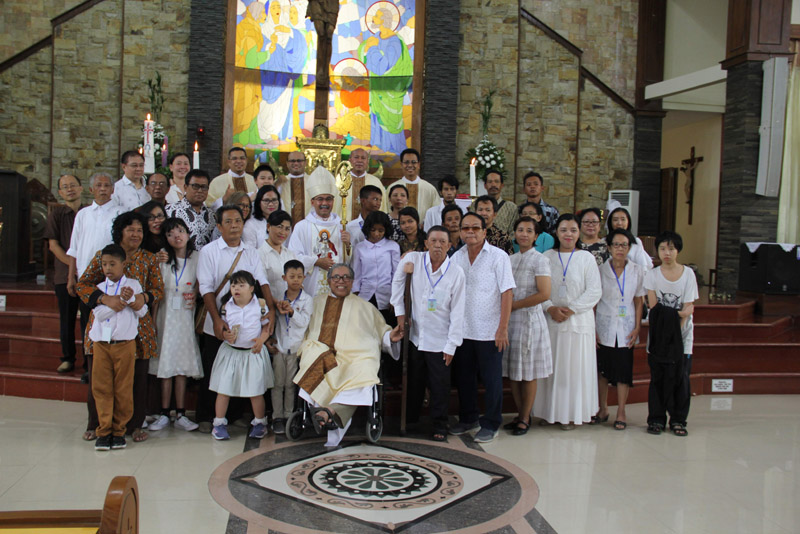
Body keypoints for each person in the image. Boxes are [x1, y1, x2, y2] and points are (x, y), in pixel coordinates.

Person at [77, 211, 164, 444]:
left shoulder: (149, 259)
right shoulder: (104, 256)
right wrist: (104, 299)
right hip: (103, 327)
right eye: (130, 229)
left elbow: (158, 290)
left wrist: (144, 298)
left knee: (135, 381)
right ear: (120, 232)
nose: (136, 234)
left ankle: (133, 426)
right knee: (100, 381)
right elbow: (82, 285)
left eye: (139, 230)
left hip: (138, 328)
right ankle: (96, 425)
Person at [294, 264, 403, 447]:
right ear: (329, 280)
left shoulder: (365, 307)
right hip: (322, 353)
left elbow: (381, 332)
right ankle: (328, 413)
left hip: (355, 356)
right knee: (313, 359)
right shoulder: (315, 303)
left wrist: (390, 337)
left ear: (352, 282)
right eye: (336, 277)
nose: (341, 281)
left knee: (365, 370)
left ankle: (327, 413)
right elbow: (301, 329)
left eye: (346, 278)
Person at [196, 204, 276, 433]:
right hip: (220, 319)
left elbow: (261, 280)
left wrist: (270, 309)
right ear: (219, 226)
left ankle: (238, 415)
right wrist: (217, 320)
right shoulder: (209, 251)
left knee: (244, 371)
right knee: (216, 369)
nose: (234, 226)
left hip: (249, 321)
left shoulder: (250, 251)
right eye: (228, 222)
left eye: (238, 221)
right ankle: (209, 416)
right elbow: (206, 287)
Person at [391, 225, 466, 441]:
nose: (437, 246)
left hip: (440, 339)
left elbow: (458, 312)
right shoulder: (413, 259)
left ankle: (439, 425)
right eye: (433, 241)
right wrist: (401, 315)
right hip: (416, 336)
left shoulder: (456, 273)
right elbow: (397, 285)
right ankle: (410, 420)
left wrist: (452, 345)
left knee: (439, 385)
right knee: (414, 380)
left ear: (449, 246)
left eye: (443, 242)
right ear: (426, 243)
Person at [449, 212, 515, 443]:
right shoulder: (456, 258)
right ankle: (469, 418)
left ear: (484, 231)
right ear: (460, 232)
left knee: (491, 379)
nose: (470, 232)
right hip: (463, 330)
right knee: (465, 378)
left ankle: (491, 422)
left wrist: (503, 328)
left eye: (475, 228)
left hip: (490, 331)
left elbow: (507, 292)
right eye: (465, 228)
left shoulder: (498, 256)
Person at [533, 214, 602, 430]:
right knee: (551, 370)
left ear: (579, 233)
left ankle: (570, 415)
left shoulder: (586, 258)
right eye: (563, 230)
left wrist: (571, 309)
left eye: (573, 230)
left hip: (578, 323)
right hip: (551, 321)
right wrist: (550, 308)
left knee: (573, 371)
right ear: (556, 232)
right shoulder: (546, 257)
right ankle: (548, 412)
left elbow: (594, 291)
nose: (568, 234)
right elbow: (537, 289)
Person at [88, 244, 149, 451]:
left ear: (123, 264)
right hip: (101, 344)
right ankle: (104, 431)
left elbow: (142, 312)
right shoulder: (99, 289)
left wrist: (130, 298)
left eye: (112, 264)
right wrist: (119, 301)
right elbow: (99, 315)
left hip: (125, 344)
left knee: (123, 387)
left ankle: (119, 431)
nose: (108, 268)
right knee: (102, 387)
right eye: (104, 264)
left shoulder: (134, 285)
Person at [147, 218, 203, 433]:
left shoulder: (197, 257)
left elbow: (202, 282)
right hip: (165, 315)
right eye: (170, 234)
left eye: (180, 231)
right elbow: (155, 289)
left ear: (188, 233)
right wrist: (153, 320)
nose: (176, 236)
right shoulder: (162, 257)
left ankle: (180, 413)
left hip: (186, 315)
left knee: (181, 364)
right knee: (166, 363)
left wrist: (196, 293)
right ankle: (164, 413)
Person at [66, 172, 123, 377]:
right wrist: (71, 277)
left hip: (111, 278)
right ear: (91, 189)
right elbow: (74, 248)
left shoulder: (120, 213)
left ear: (113, 189)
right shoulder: (83, 214)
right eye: (99, 185)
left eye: (107, 185)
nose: (103, 189)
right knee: (87, 323)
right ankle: (88, 368)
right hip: (86, 278)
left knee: (109, 322)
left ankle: (107, 368)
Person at [208, 270, 275, 440]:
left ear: (251, 288)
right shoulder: (226, 307)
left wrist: (262, 340)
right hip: (231, 354)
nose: (236, 289)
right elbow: (223, 329)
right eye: (233, 285)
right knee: (223, 389)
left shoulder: (260, 305)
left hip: (252, 353)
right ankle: (219, 424)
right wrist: (226, 335)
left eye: (241, 285)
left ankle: (259, 423)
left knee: (255, 390)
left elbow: (266, 327)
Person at [644, 230, 698, 437]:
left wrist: (678, 321)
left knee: (680, 379)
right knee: (657, 379)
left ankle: (678, 419)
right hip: (658, 338)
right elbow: (655, 309)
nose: (667, 253)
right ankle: (656, 419)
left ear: (678, 250)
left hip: (683, 337)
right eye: (662, 248)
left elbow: (688, 308)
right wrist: (680, 314)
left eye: (671, 248)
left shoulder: (688, 274)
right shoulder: (652, 275)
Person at [505, 217, 552, 436]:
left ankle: (525, 417)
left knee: (529, 372)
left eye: (529, 231)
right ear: (514, 233)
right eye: (520, 230)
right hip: (510, 322)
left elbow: (544, 293)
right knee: (513, 371)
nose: (524, 234)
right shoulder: (509, 259)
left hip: (530, 321)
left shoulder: (540, 260)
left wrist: (514, 305)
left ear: (536, 236)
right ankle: (519, 413)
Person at [595, 228, 645, 431]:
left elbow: (639, 301)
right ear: (609, 247)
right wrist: (594, 329)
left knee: (624, 371)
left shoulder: (637, 270)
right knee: (603, 371)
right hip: (604, 325)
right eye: (616, 244)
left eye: (624, 245)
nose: (620, 249)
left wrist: (637, 327)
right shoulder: (600, 270)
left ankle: (621, 411)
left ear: (629, 248)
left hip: (626, 327)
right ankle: (603, 409)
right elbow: (594, 301)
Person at [46, 174, 87, 374]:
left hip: (89, 275)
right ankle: (68, 358)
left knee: (89, 321)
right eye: (65, 187)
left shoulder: (89, 212)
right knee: (67, 319)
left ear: (81, 188)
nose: (69, 189)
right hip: (64, 275)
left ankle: (89, 362)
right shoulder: (56, 215)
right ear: (60, 193)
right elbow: (53, 245)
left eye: (73, 185)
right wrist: (74, 266)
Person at [287, 167, 351, 296]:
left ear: (333, 201)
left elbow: (348, 260)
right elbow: (293, 256)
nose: (324, 203)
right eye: (320, 199)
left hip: (337, 283)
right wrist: (316, 261)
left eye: (329, 199)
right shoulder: (302, 227)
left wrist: (348, 245)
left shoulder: (342, 225)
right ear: (312, 202)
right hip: (311, 284)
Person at [266, 260, 312, 435]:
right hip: (279, 347)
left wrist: (292, 311)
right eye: (292, 276)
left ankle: (288, 415)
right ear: (284, 277)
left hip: (296, 349)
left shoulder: (307, 300)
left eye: (299, 276)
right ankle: (277, 417)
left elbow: (304, 322)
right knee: (278, 384)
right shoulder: (278, 298)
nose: (296, 280)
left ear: (304, 278)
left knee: (291, 384)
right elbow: (272, 320)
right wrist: (269, 338)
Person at [352, 211, 400, 320]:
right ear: (367, 229)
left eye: (380, 230)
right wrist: (355, 295)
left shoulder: (392, 246)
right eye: (373, 230)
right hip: (365, 294)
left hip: (387, 296)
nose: (376, 234)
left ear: (386, 230)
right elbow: (356, 273)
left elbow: (396, 274)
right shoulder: (359, 248)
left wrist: (395, 298)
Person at [165, 169, 216, 250]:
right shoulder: (171, 211)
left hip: (207, 257)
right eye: (195, 186)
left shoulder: (212, 215)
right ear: (185, 187)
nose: (200, 190)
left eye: (204, 187)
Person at [387, 149, 439, 221]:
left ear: (418, 165)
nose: (410, 165)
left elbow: (436, 213)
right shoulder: (393, 188)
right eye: (406, 162)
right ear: (401, 165)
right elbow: (387, 210)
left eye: (413, 162)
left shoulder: (429, 189)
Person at [258, 210, 296, 302]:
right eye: (280, 227)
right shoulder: (259, 254)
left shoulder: (290, 254)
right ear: (268, 227)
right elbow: (261, 287)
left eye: (287, 229)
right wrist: (276, 305)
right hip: (269, 306)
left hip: (291, 307)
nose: (283, 232)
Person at [340, 148, 387, 221]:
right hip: (344, 225)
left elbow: (382, 208)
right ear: (349, 160)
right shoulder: (341, 181)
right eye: (356, 157)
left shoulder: (376, 182)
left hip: (371, 226)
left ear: (367, 162)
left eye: (363, 158)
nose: (359, 160)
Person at [473, 170, 517, 234]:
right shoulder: (475, 205)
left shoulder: (511, 207)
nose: (493, 185)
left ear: (502, 185)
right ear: (485, 185)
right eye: (490, 182)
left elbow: (513, 231)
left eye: (496, 181)